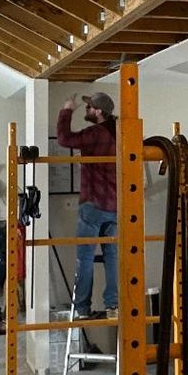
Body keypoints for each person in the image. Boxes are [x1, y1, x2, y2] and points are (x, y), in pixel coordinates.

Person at [56, 91, 117, 320]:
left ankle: (82, 308)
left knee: (86, 256)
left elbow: (64, 140)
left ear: (99, 111)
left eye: (90, 107)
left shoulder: (96, 133)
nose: (87, 110)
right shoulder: (120, 132)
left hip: (93, 204)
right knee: (113, 256)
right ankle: (113, 304)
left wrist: (67, 110)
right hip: (117, 206)